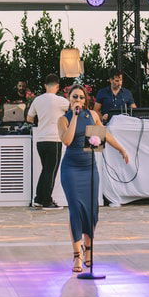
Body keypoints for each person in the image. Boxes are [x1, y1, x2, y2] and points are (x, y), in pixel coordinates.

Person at [59, 83, 129, 272]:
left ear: (86, 99)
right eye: (75, 97)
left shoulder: (92, 116)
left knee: (91, 212)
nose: (78, 100)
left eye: (81, 97)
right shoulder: (63, 119)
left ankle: (88, 251)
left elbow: (104, 135)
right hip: (71, 169)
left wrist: (121, 148)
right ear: (69, 99)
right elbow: (67, 140)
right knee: (75, 210)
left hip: (90, 168)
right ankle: (77, 256)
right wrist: (74, 116)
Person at [26, 73, 68, 209]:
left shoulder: (37, 100)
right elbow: (73, 110)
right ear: (57, 86)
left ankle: (38, 198)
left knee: (45, 170)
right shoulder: (60, 100)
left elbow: (29, 118)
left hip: (41, 140)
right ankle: (47, 201)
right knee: (51, 171)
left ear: (45, 85)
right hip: (54, 139)